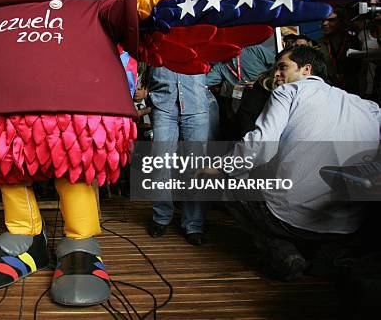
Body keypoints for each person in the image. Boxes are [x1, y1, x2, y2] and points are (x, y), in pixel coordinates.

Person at [216, 46, 380, 280]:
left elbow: (260, 146)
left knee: (224, 183)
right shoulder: (368, 107)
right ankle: (327, 254)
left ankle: (281, 251)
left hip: (289, 217)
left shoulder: (289, 92)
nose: (276, 75)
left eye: (283, 67)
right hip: (346, 223)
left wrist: (219, 167)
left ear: (306, 69)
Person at [146, 67, 209, 245]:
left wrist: (202, 84)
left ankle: (194, 224)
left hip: (196, 106)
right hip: (163, 104)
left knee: (195, 168)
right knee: (160, 163)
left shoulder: (201, 39)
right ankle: (161, 217)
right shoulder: (157, 38)